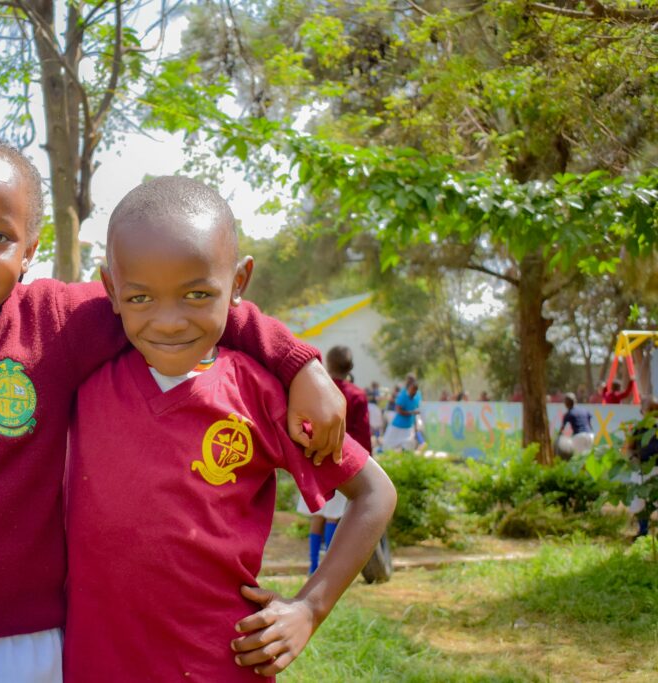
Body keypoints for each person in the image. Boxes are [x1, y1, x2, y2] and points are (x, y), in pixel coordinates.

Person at [0, 127, 348, 682]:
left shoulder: (54, 324)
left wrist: (298, 362)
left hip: (28, 652)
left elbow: (177, 296)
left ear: (30, 250)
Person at [64, 178, 394, 681]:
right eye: (141, 298)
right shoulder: (81, 382)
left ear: (239, 282)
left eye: (197, 294)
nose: (170, 321)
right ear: (110, 289)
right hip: (95, 666)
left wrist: (310, 607)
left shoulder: (261, 395)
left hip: (225, 664)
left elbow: (374, 492)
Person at [296, 345, 372, 573]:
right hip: (342, 462)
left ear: (327, 364)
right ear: (350, 367)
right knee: (333, 517)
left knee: (317, 515)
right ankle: (327, 569)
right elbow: (362, 432)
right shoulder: (357, 395)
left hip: (316, 460)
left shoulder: (318, 389)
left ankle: (312, 565)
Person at [627, 396, 658, 538]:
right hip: (641, 470)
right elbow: (630, 448)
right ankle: (643, 531)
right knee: (640, 502)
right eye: (647, 410)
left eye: (653, 409)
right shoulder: (639, 428)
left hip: (656, 470)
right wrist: (633, 457)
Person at [383, 378, 421, 451]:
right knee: (387, 446)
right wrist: (411, 412)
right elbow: (398, 410)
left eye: (415, 390)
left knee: (408, 447)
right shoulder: (403, 396)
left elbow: (416, 412)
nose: (414, 392)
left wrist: (415, 428)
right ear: (409, 388)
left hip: (408, 428)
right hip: (397, 427)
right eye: (413, 390)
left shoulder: (416, 398)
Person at [556, 392, 595, 456]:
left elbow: (562, 429)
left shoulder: (569, 413)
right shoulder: (584, 410)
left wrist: (558, 439)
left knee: (580, 458)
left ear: (567, 403)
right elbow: (589, 423)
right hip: (590, 436)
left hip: (579, 436)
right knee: (589, 457)